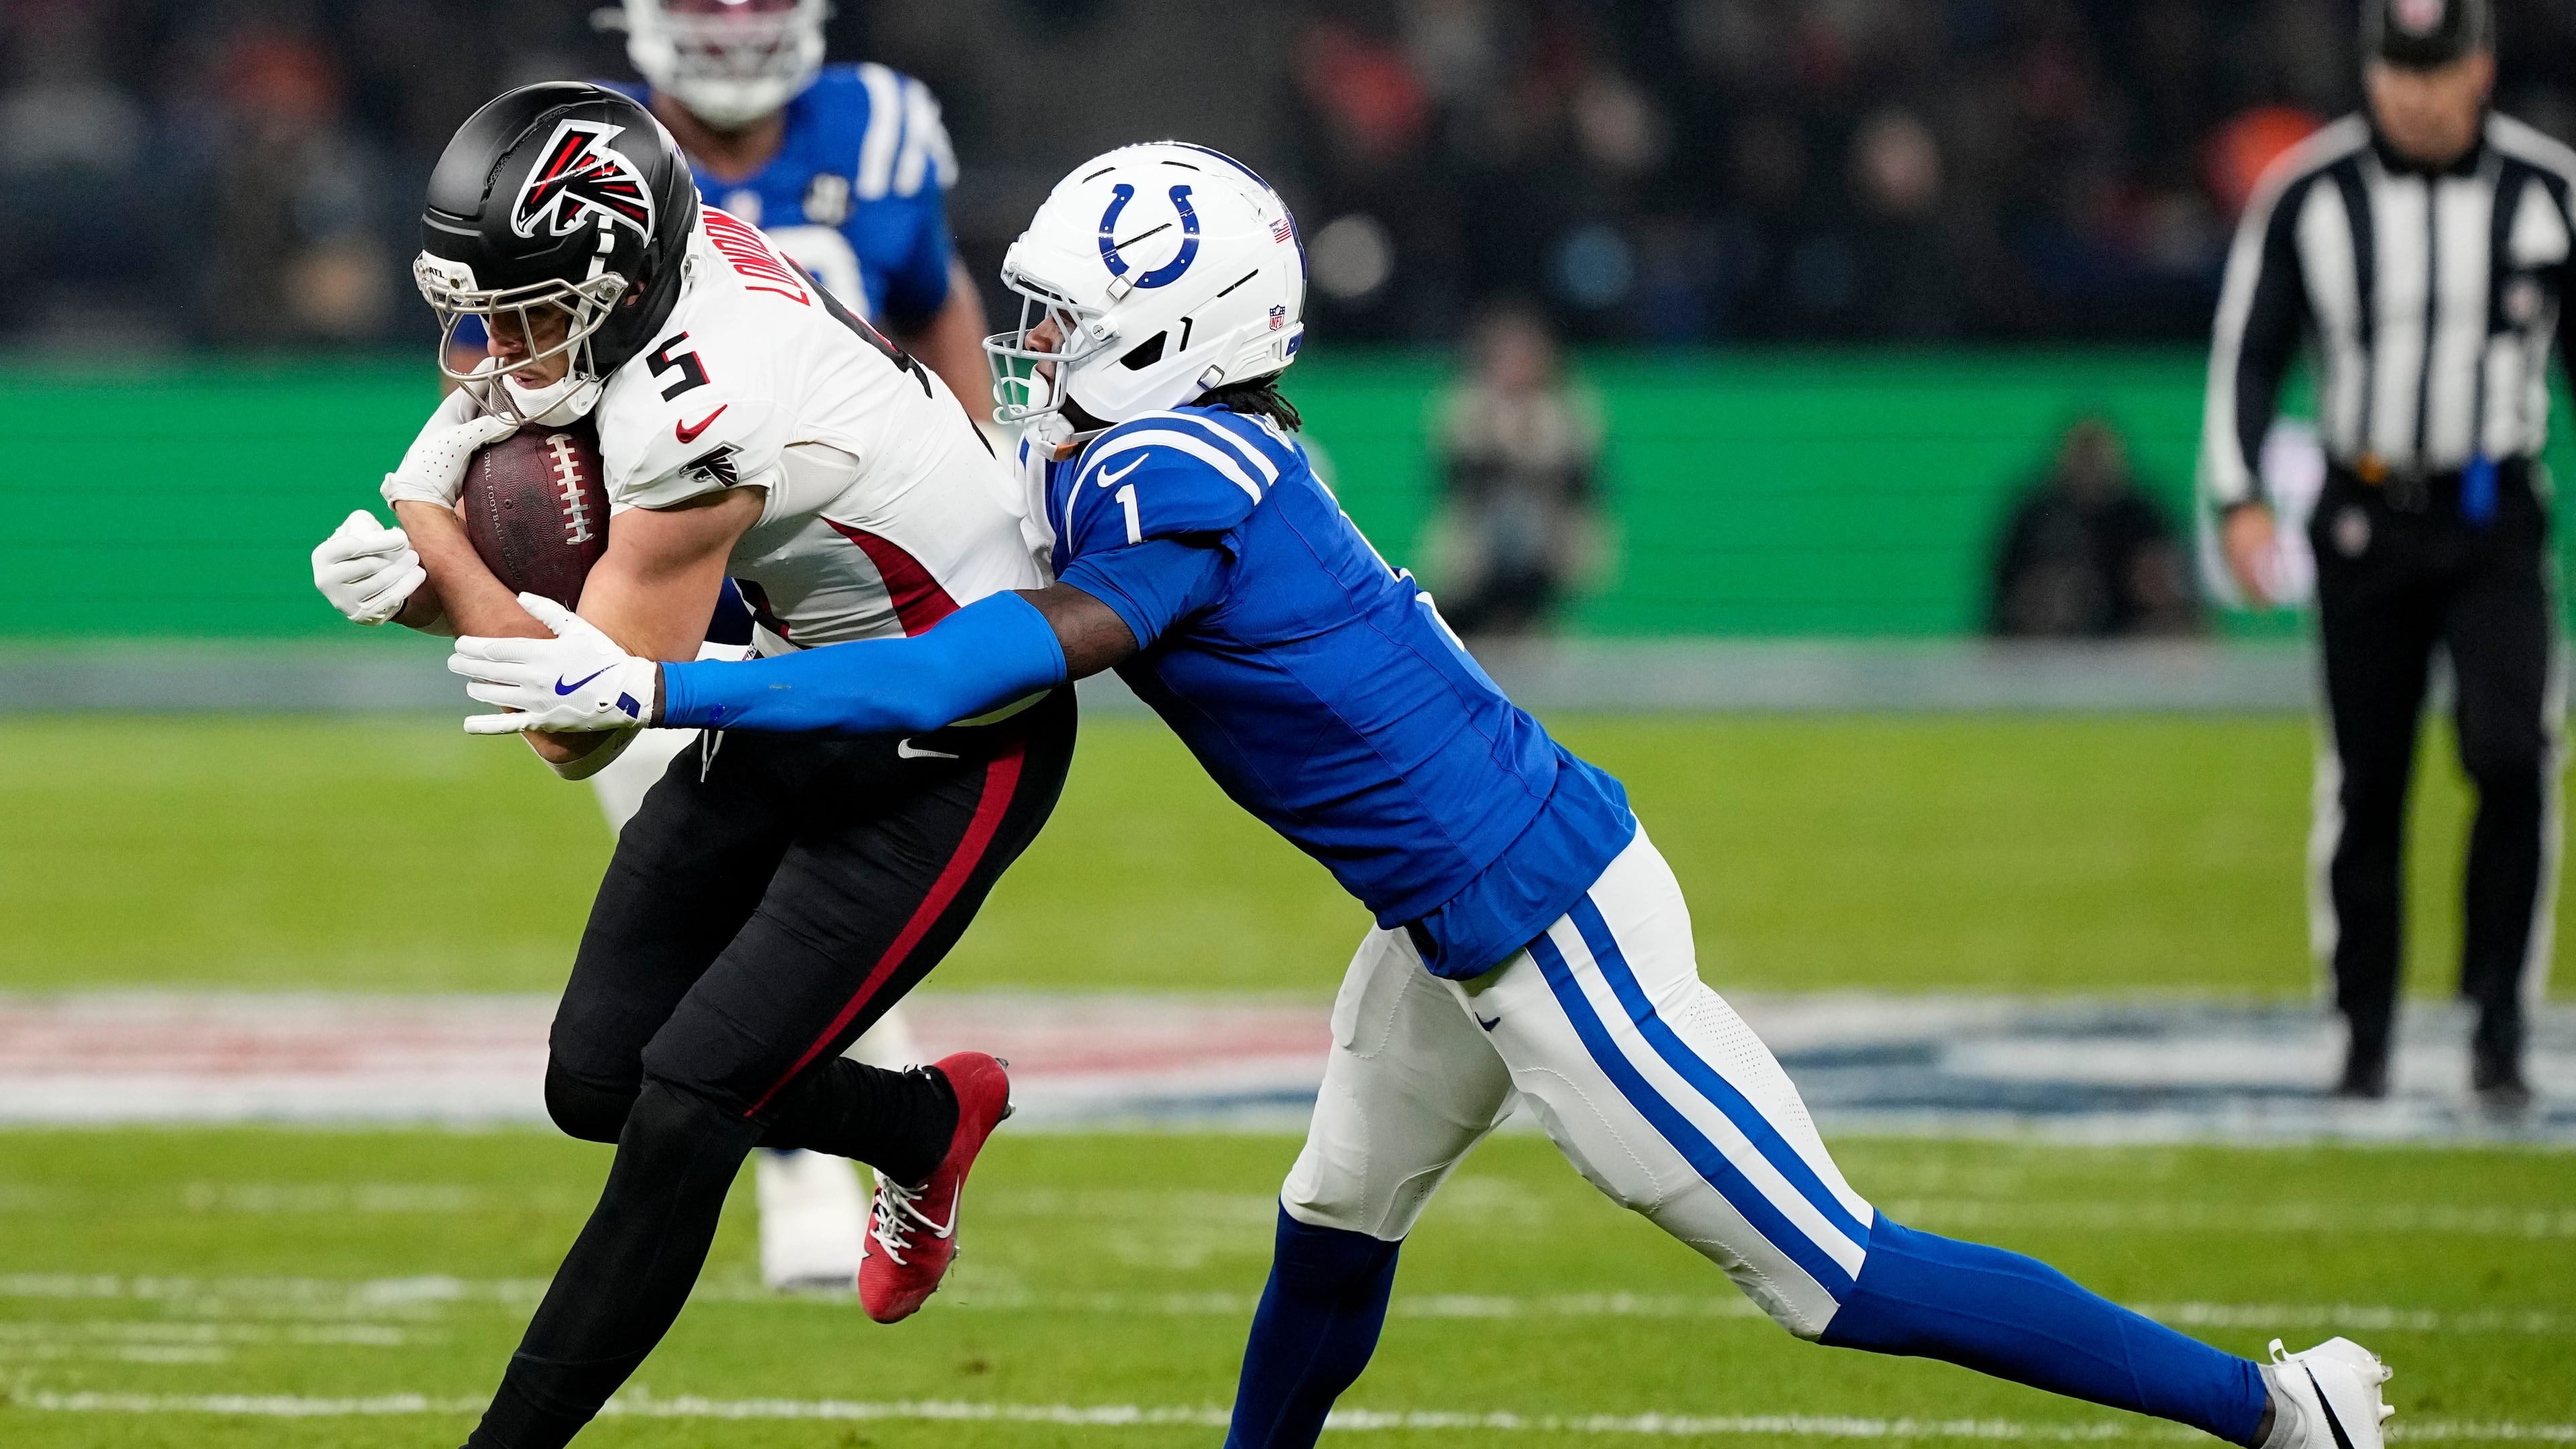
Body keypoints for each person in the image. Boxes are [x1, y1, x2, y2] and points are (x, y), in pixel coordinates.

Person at [451, 140, 2398, 1449]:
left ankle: (2269, 1407)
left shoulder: (1167, 485)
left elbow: (976, 660)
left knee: (1836, 1275)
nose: (1030, 352)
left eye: (1061, 329)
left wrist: (666, 676)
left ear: (1168, 346)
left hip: (1547, 926)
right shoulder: (1174, 456)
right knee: (1335, 1215)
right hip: (1439, 920)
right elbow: (893, 491)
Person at [308, 83, 1071, 1449]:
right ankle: (922, 1119)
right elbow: (587, 656)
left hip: (948, 741)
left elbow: (574, 726)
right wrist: (441, 573)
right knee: (596, 1083)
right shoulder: (669, 272)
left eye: (529, 311)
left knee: (686, 1110)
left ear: (615, 279)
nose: (491, 350)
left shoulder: (698, 399)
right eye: (478, 306)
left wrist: (437, 549)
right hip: (793, 689)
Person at [2204, 0, 2563, 1108]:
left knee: (2512, 754)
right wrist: (2239, 495)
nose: (2415, 92)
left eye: (2436, 66)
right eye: (2396, 69)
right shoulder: (2309, 191)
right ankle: (2360, 1034)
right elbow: (2249, 356)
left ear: (2481, 68)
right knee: (2368, 784)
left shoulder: (2547, 193)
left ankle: (2498, 1025)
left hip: (2495, 514)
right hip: (2363, 520)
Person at [1427, 301, 1606, 637]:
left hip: (1546, 533)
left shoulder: (1564, 409)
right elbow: (1457, 477)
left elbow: (1580, 482)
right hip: (1482, 532)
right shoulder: (1470, 406)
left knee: (1546, 536)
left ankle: (1525, 622)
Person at [1990, 415, 2198, 638]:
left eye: (2097, 456)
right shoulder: (2038, 517)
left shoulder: (2140, 517)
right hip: (2045, 649)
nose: (2090, 464)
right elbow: (2004, 597)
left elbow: (2173, 589)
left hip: (2131, 645)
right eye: (2082, 455)